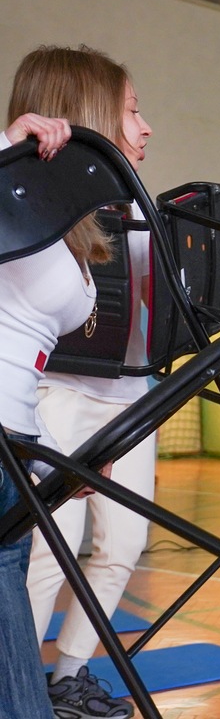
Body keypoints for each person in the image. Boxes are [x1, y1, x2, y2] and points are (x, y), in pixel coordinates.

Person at [9, 46, 220, 719]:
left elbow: (181, 308)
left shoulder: (137, 218)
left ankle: (67, 678)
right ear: (87, 116)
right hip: (50, 399)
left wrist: (216, 262)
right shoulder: (38, 217)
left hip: (126, 404)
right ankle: (19, 685)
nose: (146, 128)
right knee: (45, 552)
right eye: (133, 112)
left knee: (123, 546)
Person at [0, 106, 96, 719]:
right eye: (131, 109)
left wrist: (54, 459)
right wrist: (5, 147)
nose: (146, 127)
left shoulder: (71, 223)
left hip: (16, 442)